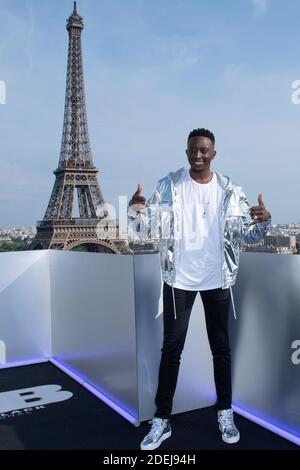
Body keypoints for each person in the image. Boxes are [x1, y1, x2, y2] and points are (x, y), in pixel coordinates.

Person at [128, 128, 272, 450]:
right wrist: (135, 212)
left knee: (221, 349)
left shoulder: (230, 192)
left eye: (204, 150)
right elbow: (147, 231)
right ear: (186, 151)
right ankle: (161, 419)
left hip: (217, 280)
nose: (198, 155)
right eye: (193, 149)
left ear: (214, 154)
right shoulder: (169, 186)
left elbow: (246, 236)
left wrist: (262, 222)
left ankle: (225, 412)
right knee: (171, 351)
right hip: (178, 280)